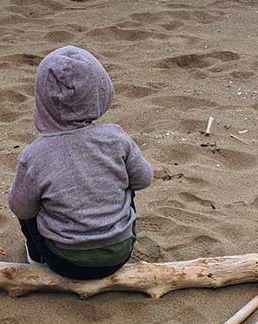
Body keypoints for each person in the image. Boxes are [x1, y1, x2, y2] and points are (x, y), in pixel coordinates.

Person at [9, 45, 152, 279]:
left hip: (64, 260)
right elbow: (144, 179)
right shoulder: (116, 138)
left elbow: (21, 208)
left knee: (24, 197)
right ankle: (112, 232)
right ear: (100, 90)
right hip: (119, 253)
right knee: (126, 180)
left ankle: (36, 255)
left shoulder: (34, 155)